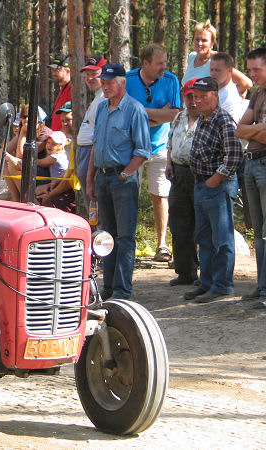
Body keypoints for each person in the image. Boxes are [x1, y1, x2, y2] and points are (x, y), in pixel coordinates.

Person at [86, 63, 151, 300]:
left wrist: (125, 174)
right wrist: (90, 178)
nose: (104, 86)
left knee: (125, 236)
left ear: (122, 83)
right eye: (103, 82)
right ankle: (109, 287)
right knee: (107, 236)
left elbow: (143, 151)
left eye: (109, 82)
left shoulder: (135, 109)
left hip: (122, 179)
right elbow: (95, 146)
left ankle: (123, 290)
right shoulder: (102, 108)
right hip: (103, 177)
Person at [183, 77, 243, 303]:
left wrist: (215, 179)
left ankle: (222, 285)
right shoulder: (203, 119)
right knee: (204, 237)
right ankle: (207, 283)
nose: (197, 101)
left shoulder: (223, 120)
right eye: (195, 97)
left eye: (202, 96)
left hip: (216, 185)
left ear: (215, 96)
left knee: (222, 238)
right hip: (201, 184)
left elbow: (234, 155)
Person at [126, 43, 181, 262]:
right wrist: (159, 113)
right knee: (129, 195)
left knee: (160, 195)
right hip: (132, 149)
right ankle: (128, 242)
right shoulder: (129, 80)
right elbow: (124, 112)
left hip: (160, 147)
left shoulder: (171, 80)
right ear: (146, 63)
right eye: (160, 63)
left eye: (165, 62)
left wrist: (140, 112)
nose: (164, 67)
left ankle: (162, 245)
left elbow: (174, 114)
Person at [235, 47, 266, 310]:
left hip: (264, 164)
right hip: (252, 164)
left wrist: (252, 130)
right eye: (250, 69)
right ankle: (262, 286)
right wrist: (258, 128)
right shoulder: (257, 93)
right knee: (258, 232)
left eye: (257, 69)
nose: (252, 74)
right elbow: (239, 130)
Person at [165, 78, 201, 286]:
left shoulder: (208, 118)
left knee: (201, 225)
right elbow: (170, 143)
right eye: (189, 96)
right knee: (179, 224)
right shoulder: (179, 117)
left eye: (197, 96)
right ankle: (185, 272)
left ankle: (205, 273)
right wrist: (169, 164)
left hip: (199, 174)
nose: (193, 101)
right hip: (178, 173)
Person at [181, 20, 252, 96]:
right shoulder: (192, 57)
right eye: (197, 39)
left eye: (204, 40)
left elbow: (246, 83)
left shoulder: (217, 61)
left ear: (212, 43)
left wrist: (221, 96)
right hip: (188, 107)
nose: (199, 43)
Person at [2, 105, 51, 201]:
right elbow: (1, 151)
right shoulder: (25, 130)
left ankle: (30, 200)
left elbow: (21, 155)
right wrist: (10, 158)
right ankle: (16, 199)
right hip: (31, 171)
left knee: (13, 165)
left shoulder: (44, 134)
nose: (27, 119)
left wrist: (23, 133)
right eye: (24, 117)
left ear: (39, 118)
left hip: (45, 176)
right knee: (4, 162)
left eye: (31, 116)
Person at [76, 54, 106, 209]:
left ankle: (100, 231)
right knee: (91, 202)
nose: (90, 78)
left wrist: (93, 170)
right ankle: (96, 228)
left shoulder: (105, 98)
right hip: (84, 151)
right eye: (87, 75)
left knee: (95, 198)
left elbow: (102, 135)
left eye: (94, 74)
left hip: (91, 152)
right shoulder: (98, 97)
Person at [35, 130, 76, 212]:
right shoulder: (59, 155)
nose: (49, 146)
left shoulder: (56, 156)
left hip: (60, 185)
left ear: (61, 146)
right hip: (55, 183)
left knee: (38, 192)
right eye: (48, 143)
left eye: (54, 144)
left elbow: (40, 162)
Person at [209, 52, 244, 123]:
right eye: (211, 70)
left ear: (230, 70)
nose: (213, 74)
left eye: (218, 70)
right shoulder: (216, 91)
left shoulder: (229, 97)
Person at [49, 55, 71, 131]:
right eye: (53, 70)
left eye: (57, 70)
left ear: (68, 71)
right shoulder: (62, 89)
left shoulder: (72, 89)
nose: (53, 73)